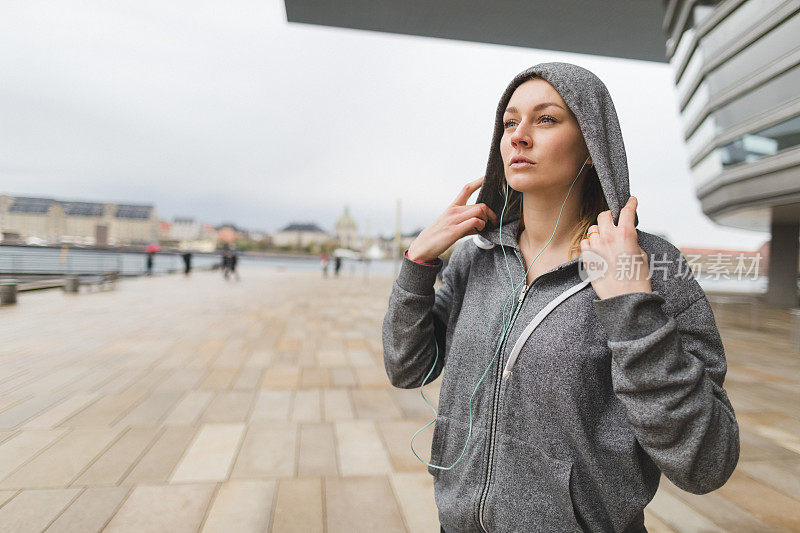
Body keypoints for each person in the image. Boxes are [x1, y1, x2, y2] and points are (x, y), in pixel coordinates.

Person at [382, 62, 739, 533]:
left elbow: (706, 460)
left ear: (592, 144)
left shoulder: (652, 263)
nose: (519, 137)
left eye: (545, 119)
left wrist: (630, 303)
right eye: (510, 122)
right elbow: (407, 369)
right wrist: (418, 266)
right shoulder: (477, 258)